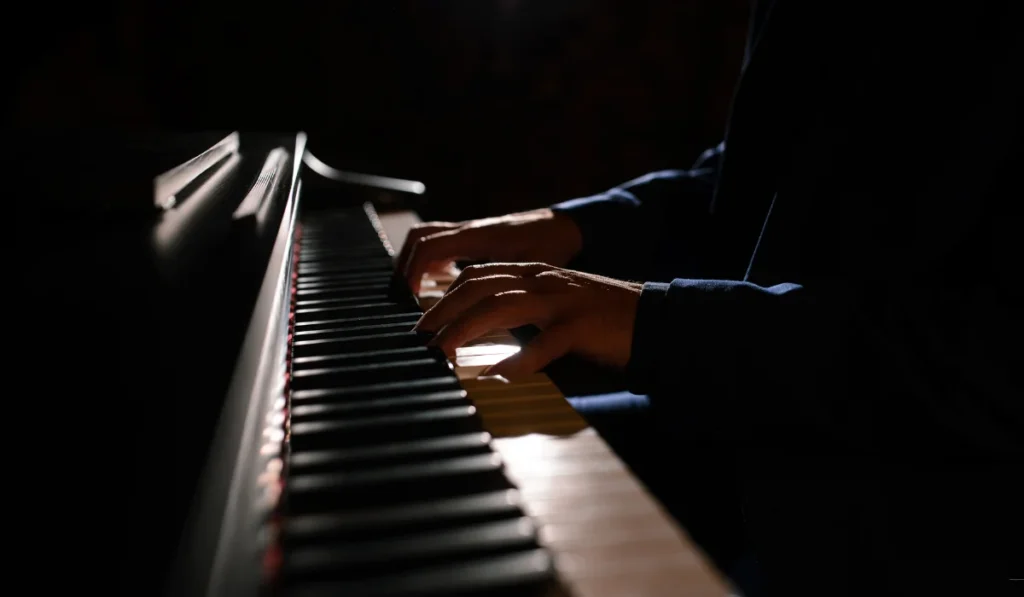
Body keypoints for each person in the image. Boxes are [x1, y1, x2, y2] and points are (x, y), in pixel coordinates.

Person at [400, 1, 1022, 595]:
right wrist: (573, 227)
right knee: (426, 467)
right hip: (767, 425)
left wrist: (660, 324)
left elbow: (993, 361)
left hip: (929, 504)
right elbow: (768, 174)